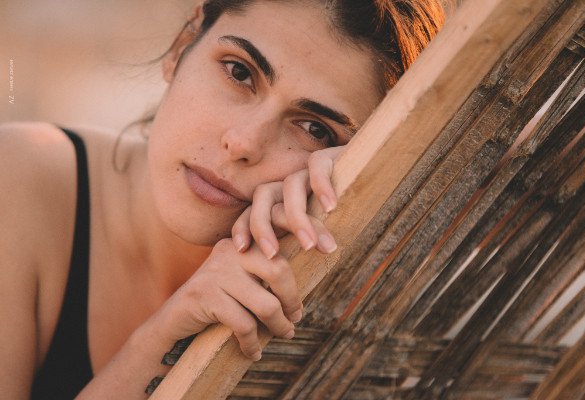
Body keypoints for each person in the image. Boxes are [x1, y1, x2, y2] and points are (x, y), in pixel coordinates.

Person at [0, 0, 444, 398]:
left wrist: (351, 195)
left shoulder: (341, 305)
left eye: (315, 129)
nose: (243, 142)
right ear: (183, 44)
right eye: (239, 72)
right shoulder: (18, 179)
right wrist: (157, 343)